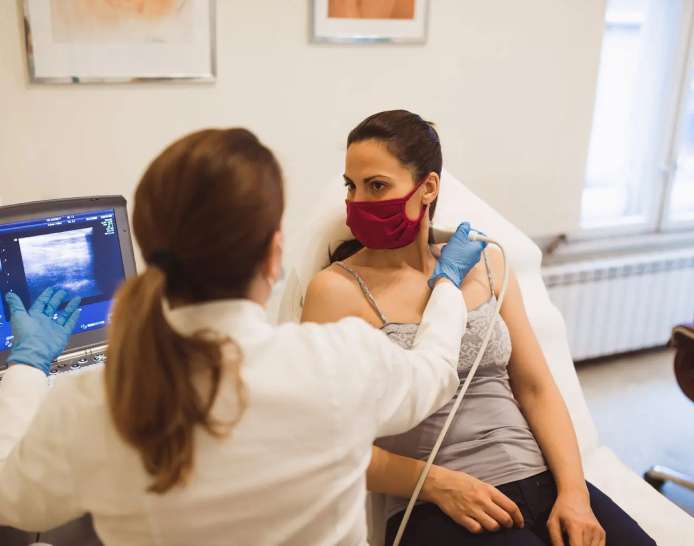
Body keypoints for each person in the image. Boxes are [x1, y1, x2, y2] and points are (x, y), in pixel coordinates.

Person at [0, 128, 487, 546]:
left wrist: (27, 363)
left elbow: (12, 500)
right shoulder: (339, 361)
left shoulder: (99, 400)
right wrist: (445, 284)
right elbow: (436, 373)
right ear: (274, 253)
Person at [301, 110, 657, 546]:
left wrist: (575, 493)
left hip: (538, 477)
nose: (358, 203)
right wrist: (435, 484)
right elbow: (326, 443)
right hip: (437, 502)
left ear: (427, 187)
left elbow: (536, 387)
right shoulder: (336, 290)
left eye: (376, 186)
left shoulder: (485, 263)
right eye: (350, 187)